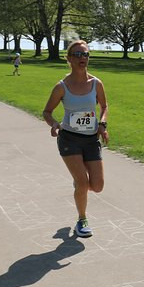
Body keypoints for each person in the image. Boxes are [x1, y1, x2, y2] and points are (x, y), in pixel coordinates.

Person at [42, 40, 109, 238]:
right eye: (78, 55)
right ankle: (82, 219)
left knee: (97, 186)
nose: (82, 58)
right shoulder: (61, 87)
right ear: (69, 59)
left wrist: (102, 124)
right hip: (69, 139)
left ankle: (79, 184)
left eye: (85, 54)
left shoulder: (96, 83)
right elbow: (47, 112)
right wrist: (54, 124)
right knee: (82, 183)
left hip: (90, 139)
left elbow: (104, 107)